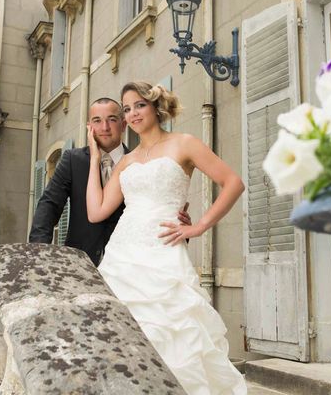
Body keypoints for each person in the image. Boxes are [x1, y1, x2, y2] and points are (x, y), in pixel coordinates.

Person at [86, 81, 247, 394]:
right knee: (120, 338)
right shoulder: (126, 161)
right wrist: (95, 159)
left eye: (139, 105)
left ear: (155, 107)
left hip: (163, 253)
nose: (132, 114)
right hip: (122, 256)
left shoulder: (183, 143)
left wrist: (198, 226)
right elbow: (97, 211)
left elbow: (233, 183)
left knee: (172, 338)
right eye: (127, 109)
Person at [29, 97, 190, 265]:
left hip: (131, 263)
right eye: (97, 121)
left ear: (123, 124)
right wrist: (39, 252)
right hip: (81, 263)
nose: (104, 127)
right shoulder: (72, 160)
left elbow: (157, 211)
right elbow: (50, 204)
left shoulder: (141, 164)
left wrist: (180, 229)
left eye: (112, 120)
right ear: (89, 127)